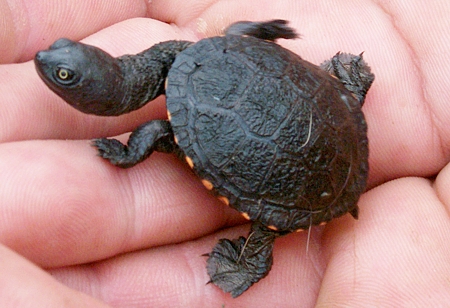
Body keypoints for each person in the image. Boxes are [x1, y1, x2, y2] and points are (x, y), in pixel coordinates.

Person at [1, 0, 449, 306]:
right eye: (66, 67)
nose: (47, 59)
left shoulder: (174, 71)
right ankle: (344, 87)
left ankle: (253, 256)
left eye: (62, 70)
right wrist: (262, 33)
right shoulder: (195, 52)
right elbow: (243, 36)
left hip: (298, 176)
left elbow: (158, 129)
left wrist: (125, 155)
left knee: (260, 213)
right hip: (319, 115)